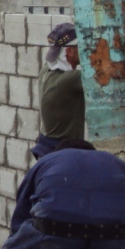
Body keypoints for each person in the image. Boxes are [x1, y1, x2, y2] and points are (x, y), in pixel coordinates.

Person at [34, 22, 84, 160]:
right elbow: (108, 74)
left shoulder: (46, 70)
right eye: (81, 46)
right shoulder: (69, 80)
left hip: (45, 150)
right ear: (70, 51)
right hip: (62, 154)